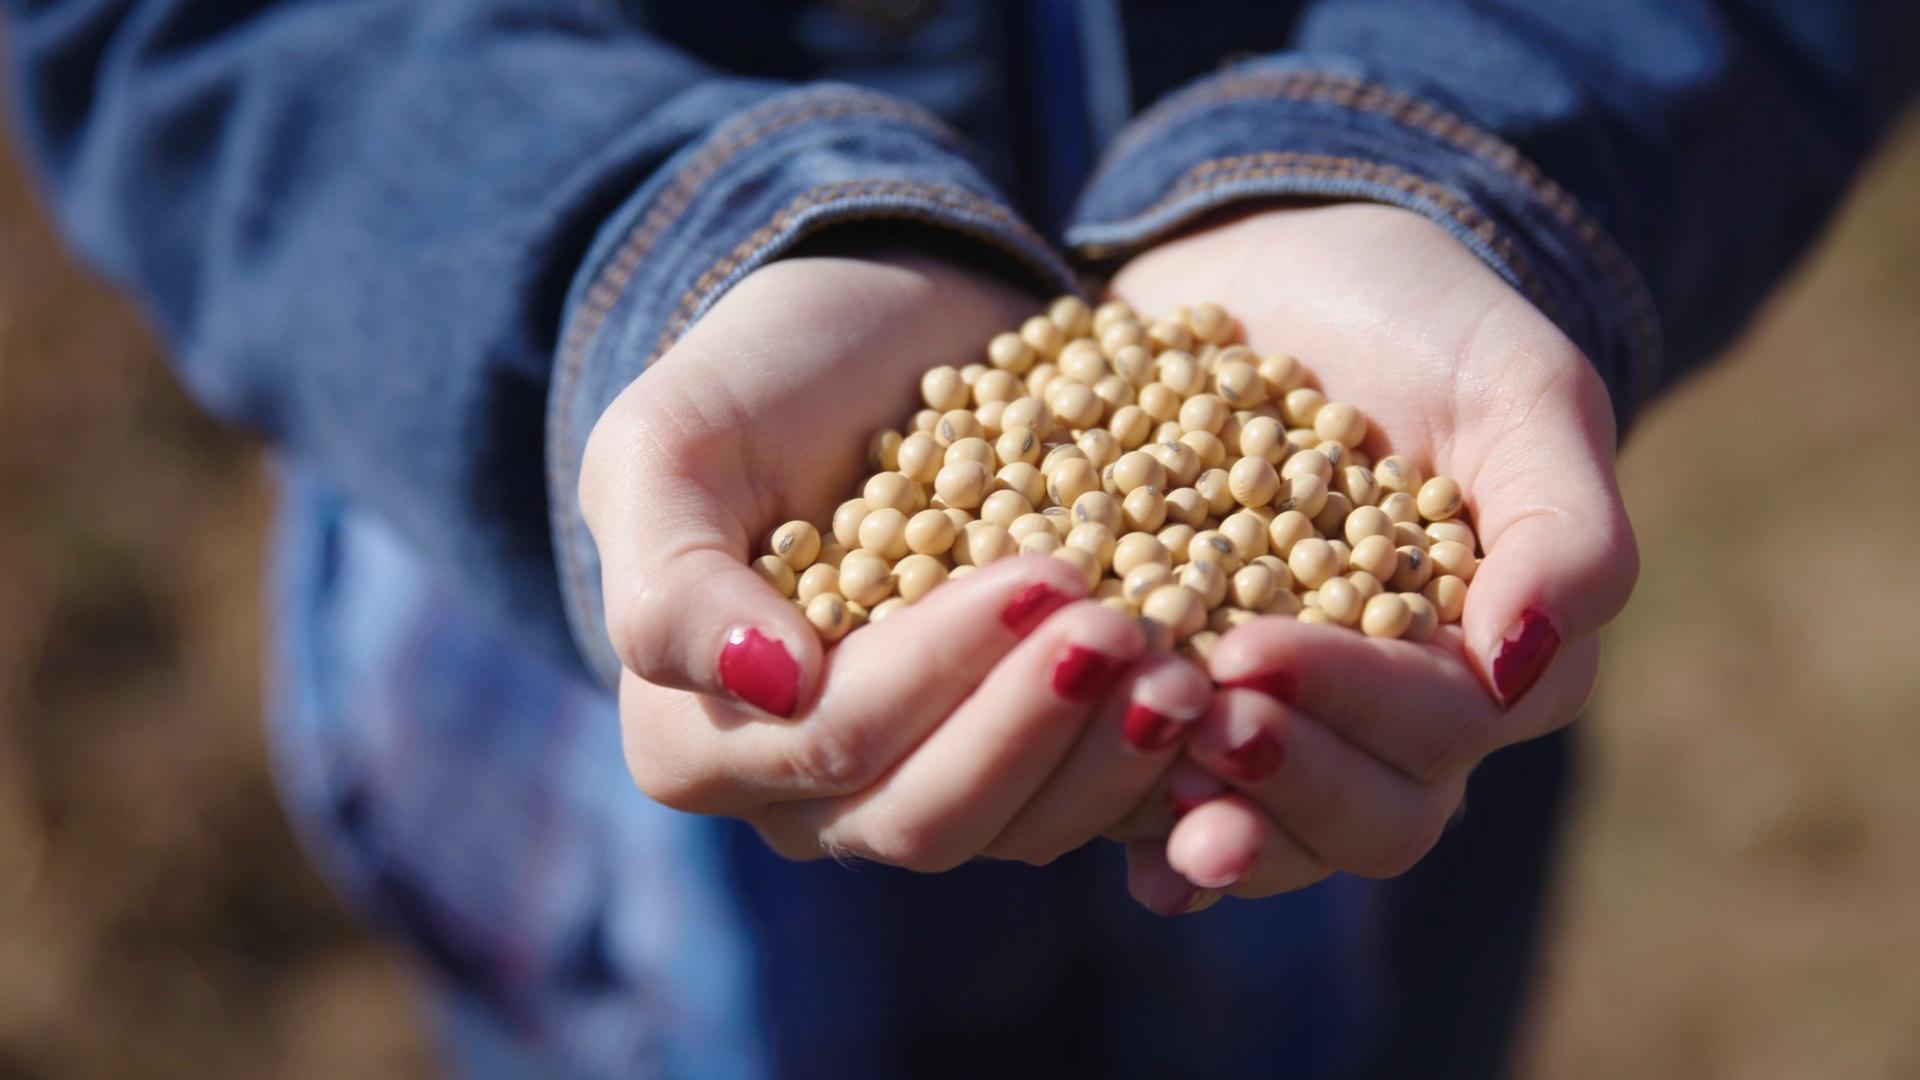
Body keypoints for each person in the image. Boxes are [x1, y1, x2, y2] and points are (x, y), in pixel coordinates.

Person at [5, 1, 1914, 1075]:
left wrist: (1437, 156)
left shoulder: (1300, 557)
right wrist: (625, 262)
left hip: (1336, 809)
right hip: (565, 727)